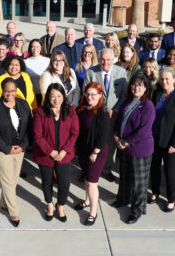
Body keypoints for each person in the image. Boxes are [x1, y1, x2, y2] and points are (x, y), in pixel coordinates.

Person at [0, 78, 31, 227]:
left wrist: (23, 146)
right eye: (6, 91)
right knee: (9, 183)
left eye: (12, 90)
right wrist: (6, 148)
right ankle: (14, 213)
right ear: (2, 91)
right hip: (1, 151)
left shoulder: (23, 105)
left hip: (20, 149)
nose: (9, 93)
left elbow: (29, 128)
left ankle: (4, 203)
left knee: (13, 180)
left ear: (16, 90)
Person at [33, 84, 79, 222]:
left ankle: (60, 205)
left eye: (59, 96)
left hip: (65, 155)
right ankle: (49, 205)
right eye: (53, 96)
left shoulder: (70, 111)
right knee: (47, 182)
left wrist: (64, 151)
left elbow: (74, 133)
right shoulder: (40, 112)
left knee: (64, 182)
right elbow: (37, 136)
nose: (56, 99)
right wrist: (51, 152)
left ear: (64, 97)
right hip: (46, 155)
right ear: (48, 97)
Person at [113, 74, 155, 224]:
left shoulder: (148, 106)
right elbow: (119, 120)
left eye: (140, 85)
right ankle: (122, 199)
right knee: (124, 176)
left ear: (145, 88)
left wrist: (126, 142)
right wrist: (117, 136)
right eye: (134, 85)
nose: (136, 88)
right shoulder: (127, 101)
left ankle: (137, 209)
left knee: (139, 182)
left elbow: (143, 131)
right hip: (124, 146)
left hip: (140, 149)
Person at [84, 48, 128, 182]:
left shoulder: (121, 72)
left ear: (113, 59)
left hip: (113, 116)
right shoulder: (91, 72)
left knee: (109, 144)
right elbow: (86, 94)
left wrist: (115, 109)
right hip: (95, 114)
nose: (105, 62)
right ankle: (87, 169)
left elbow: (124, 95)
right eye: (102, 59)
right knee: (91, 141)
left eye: (108, 59)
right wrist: (100, 110)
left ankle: (107, 169)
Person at [149, 67, 175, 213]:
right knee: (154, 168)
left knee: (170, 171)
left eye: (167, 79)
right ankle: (155, 192)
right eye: (162, 79)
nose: (164, 81)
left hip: (171, 142)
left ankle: (171, 199)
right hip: (155, 138)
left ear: (174, 79)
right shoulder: (157, 93)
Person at [75, 82, 111, 226]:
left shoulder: (102, 113)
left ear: (99, 96)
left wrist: (95, 152)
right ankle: (87, 200)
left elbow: (103, 137)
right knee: (87, 178)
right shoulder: (82, 110)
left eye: (93, 95)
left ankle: (93, 212)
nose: (90, 97)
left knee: (92, 183)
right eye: (88, 94)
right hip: (83, 151)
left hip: (96, 153)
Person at [25, 39, 50, 106]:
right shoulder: (25, 62)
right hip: (31, 94)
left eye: (37, 46)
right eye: (33, 46)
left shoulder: (47, 61)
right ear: (30, 48)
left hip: (45, 94)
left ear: (41, 48)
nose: (35, 48)